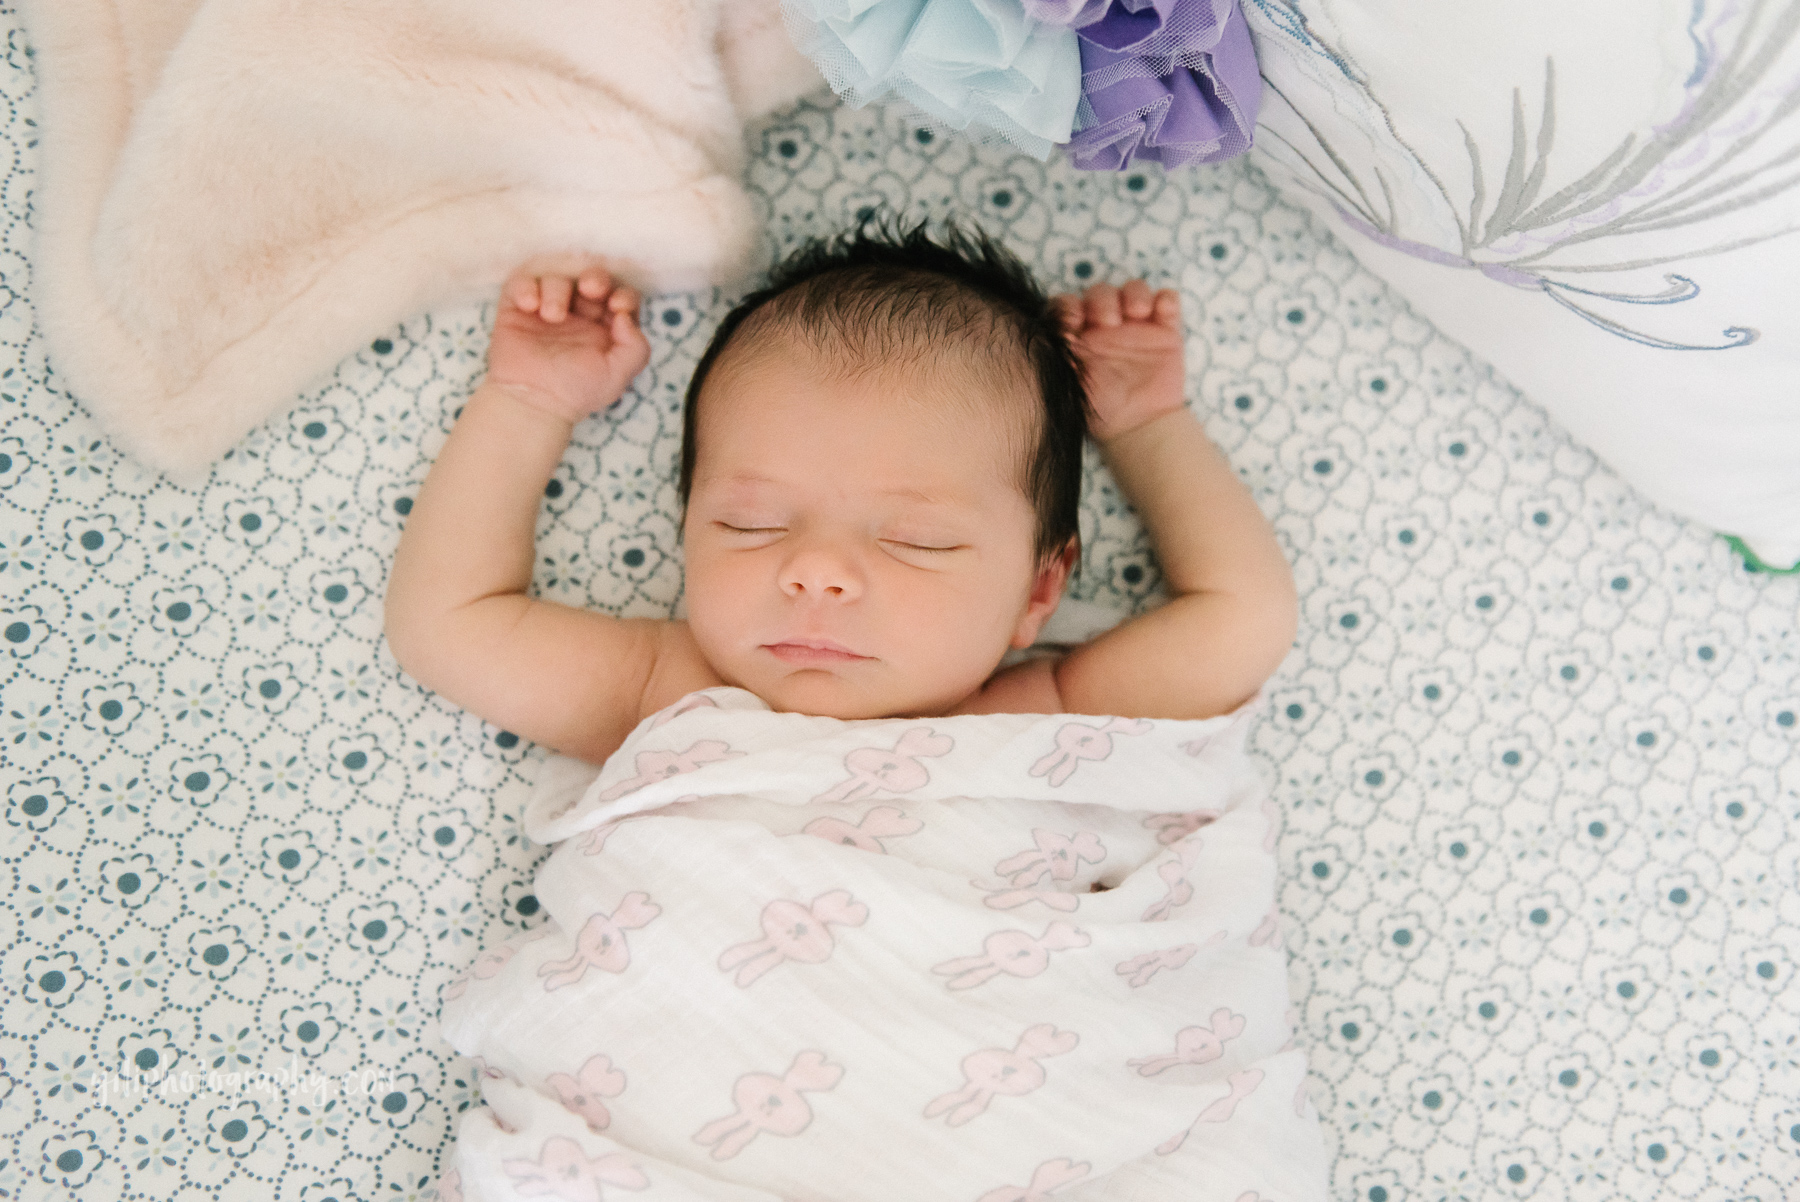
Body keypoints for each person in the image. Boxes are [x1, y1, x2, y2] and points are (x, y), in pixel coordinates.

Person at [385, 221, 1296, 764]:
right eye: (751, 523)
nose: (816, 570)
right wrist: (528, 402)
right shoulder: (664, 696)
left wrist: (1145, 427)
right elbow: (449, 624)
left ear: (1038, 591)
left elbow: (1241, 618)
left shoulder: (1042, 719)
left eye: (915, 538)